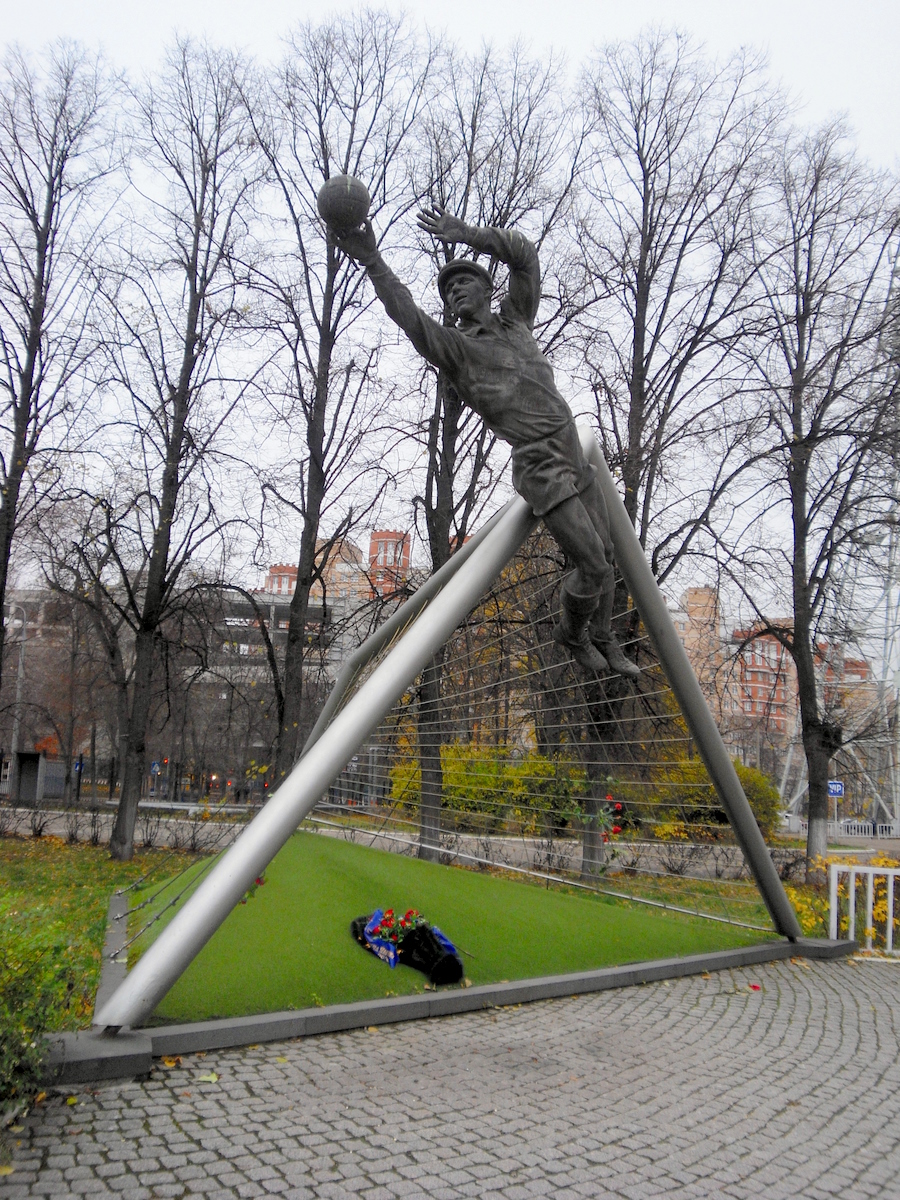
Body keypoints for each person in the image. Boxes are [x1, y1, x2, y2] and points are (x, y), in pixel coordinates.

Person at [332, 205, 640, 679]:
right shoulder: (457, 349)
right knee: (594, 565)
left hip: (573, 453)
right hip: (541, 465)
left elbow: (525, 257)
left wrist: (468, 234)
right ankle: (573, 634)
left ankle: (603, 636)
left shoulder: (517, 322)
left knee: (609, 554)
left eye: (464, 281)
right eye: (447, 288)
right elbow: (408, 316)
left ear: (487, 289)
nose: (454, 289)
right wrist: (373, 260)